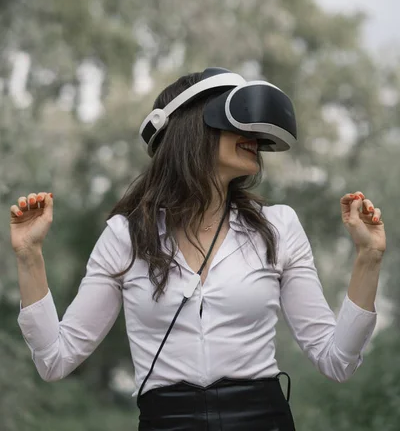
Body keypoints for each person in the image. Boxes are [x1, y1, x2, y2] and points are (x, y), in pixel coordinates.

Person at [11, 68, 385, 431]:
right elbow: (54, 361)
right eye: (236, 120)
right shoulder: (125, 237)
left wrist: (368, 258)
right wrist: (29, 256)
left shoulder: (278, 227)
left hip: (262, 419)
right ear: (193, 128)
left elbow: (337, 361)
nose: (252, 134)